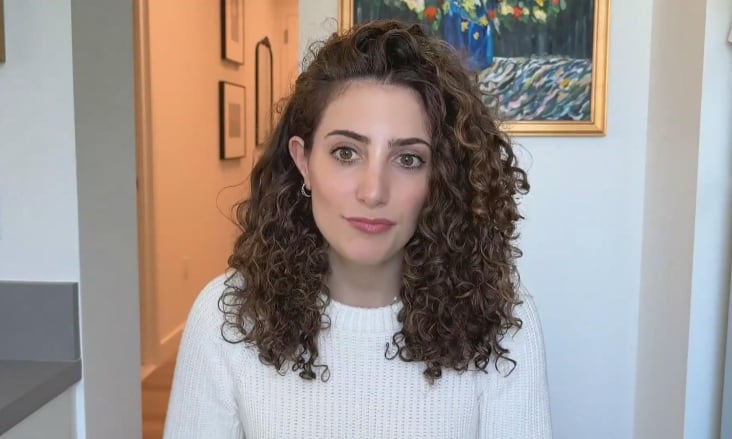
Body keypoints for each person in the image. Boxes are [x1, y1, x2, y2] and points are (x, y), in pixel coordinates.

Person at [163, 19, 552, 438]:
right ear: (303, 162)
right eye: (346, 152)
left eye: (408, 159)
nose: (373, 191)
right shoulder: (228, 318)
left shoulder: (502, 323)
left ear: (439, 178)